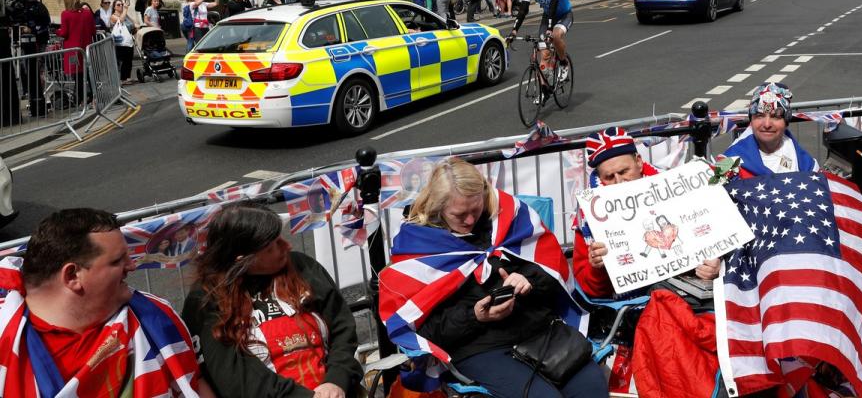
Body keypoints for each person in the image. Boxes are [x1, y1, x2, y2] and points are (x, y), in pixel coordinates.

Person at [386, 157, 607, 398]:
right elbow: (420, 329)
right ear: (438, 207)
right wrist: (475, 316)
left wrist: (528, 281)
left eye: (475, 209)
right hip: (477, 346)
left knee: (592, 390)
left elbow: (554, 272)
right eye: (460, 215)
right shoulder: (418, 247)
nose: (470, 220)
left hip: (537, 329)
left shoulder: (510, 217)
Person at [0, 208, 211, 397]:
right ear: (72, 276)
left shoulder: (156, 315)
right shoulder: (6, 338)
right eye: (117, 261)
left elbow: (194, 382)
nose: (132, 266)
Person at [183, 203, 362, 398]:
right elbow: (238, 379)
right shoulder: (206, 299)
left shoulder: (302, 266)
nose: (287, 246)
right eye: (272, 246)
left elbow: (342, 327)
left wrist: (336, 380)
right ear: (243, 259)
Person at [572, 127, 720, 299]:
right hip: (634, 303)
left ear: (639, 162)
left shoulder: (675, 187)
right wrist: (597, 268)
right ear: (599, 176)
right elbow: (590, 289)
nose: (619, 182)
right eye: (609, 177)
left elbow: (713, 239)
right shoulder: (588, 214)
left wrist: (715, 264)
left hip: (688, 291)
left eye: (623, 172)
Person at [721, 82, 819, 177]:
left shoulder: (804, 162)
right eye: (759, 116)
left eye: (775, 116)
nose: (767, 124)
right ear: (751, 121)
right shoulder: (730, 159)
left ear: (786, 122)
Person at [508, 0, 572, 103]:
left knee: (555, 36)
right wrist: (514, 30)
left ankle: (563, 63)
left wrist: (550, 28)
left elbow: (553, 8)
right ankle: (545, 91)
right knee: (544, 53)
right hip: (547, 16)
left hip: (563, 15)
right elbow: (523, 11)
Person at [57, 0, 95, 105]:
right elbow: (93, 30)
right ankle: (94, 97)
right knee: (89, 74)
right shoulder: (87, 13)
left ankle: (81, 100)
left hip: (73, 51)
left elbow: (64, 33)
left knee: (77, 76)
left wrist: (57, 31)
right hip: (86, 48)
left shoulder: (66, 14)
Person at [109, 0, 138, 85]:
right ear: (114, 7)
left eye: (121, 4)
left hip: (128, 40)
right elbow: (120, 21)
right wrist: (125, 9)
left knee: (128, 60)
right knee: (122, 61)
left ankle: (127, 77)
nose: (121, 6)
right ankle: (121, 79)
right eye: (118, 5)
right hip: (120, 42)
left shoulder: (126, 15)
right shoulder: (113, 16)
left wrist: (136, 27)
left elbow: (133, 23)